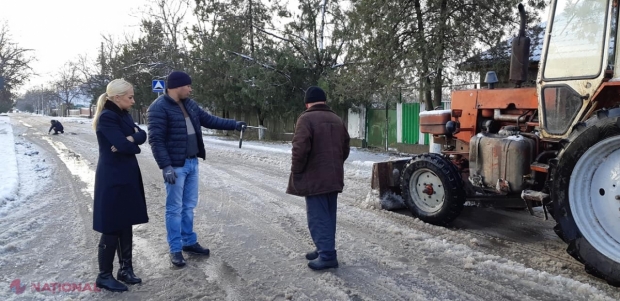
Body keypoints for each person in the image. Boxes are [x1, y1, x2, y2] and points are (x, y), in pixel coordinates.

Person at [147, 71, 247, 267]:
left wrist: (234, 125)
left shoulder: (190, 104)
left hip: (192, 163)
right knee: (174, 209)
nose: (191, 89)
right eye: (188, 86)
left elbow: (209, 120)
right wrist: (165, 166)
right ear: (177, 86)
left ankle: (189, 242)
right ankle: (175, 249)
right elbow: (156, 140)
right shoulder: (158, 108)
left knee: (189, 207)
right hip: (175, 166)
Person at [92, 79, 149, 292]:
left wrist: (131, 140)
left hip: (126, 174)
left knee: (126, 221)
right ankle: (104, 275)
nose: (133, 101)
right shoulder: (107, 117)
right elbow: (125, 145)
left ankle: (126, 269)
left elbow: (141, 135)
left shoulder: (122, 114)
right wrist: (129, 142)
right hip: (113, 177)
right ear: (117, 98)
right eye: (130, 97)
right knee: (111, 225)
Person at [286, 86, 350, 270]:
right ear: (324, 101)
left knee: (317, 216)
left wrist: (297, 171)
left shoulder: (306, 118)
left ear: (307, 103)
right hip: (334, 176)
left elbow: (299, 149)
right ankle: (323, 248)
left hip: (314, 177)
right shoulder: (337, 119)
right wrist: (335, 164)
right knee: (328, 215)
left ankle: (327, 256)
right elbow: (345, 148)